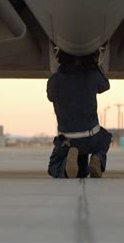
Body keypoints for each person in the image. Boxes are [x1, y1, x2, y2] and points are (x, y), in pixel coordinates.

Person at [47, 50, 112, 178]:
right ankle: (97, 158)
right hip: (90, 137)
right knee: (105, 137)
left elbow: (51, 97)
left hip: (66, 139)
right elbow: (105, 86)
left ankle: (66, 166)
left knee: (54, 166)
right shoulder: (92, 75)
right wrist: (94, 66)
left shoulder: (54, 80)